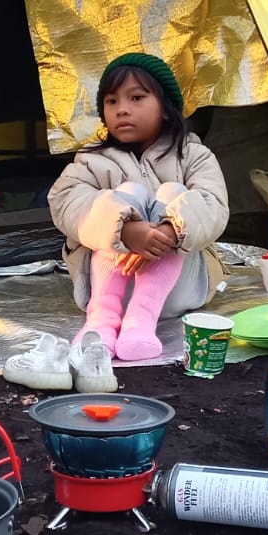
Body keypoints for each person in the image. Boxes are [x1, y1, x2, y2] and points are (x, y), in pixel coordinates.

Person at [47, 52, 229, 361]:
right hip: (109, 286)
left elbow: (214, 204)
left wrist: (168, 233)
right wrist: (126, 230)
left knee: (173, 192)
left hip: (177, 291)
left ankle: (140, 321)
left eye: (136, 98)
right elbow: (65, 201)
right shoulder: (91, 160)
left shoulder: (194, 155)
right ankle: (102, 321)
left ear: (166, 109)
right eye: (112, 101)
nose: (122, 109)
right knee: (126, 194)